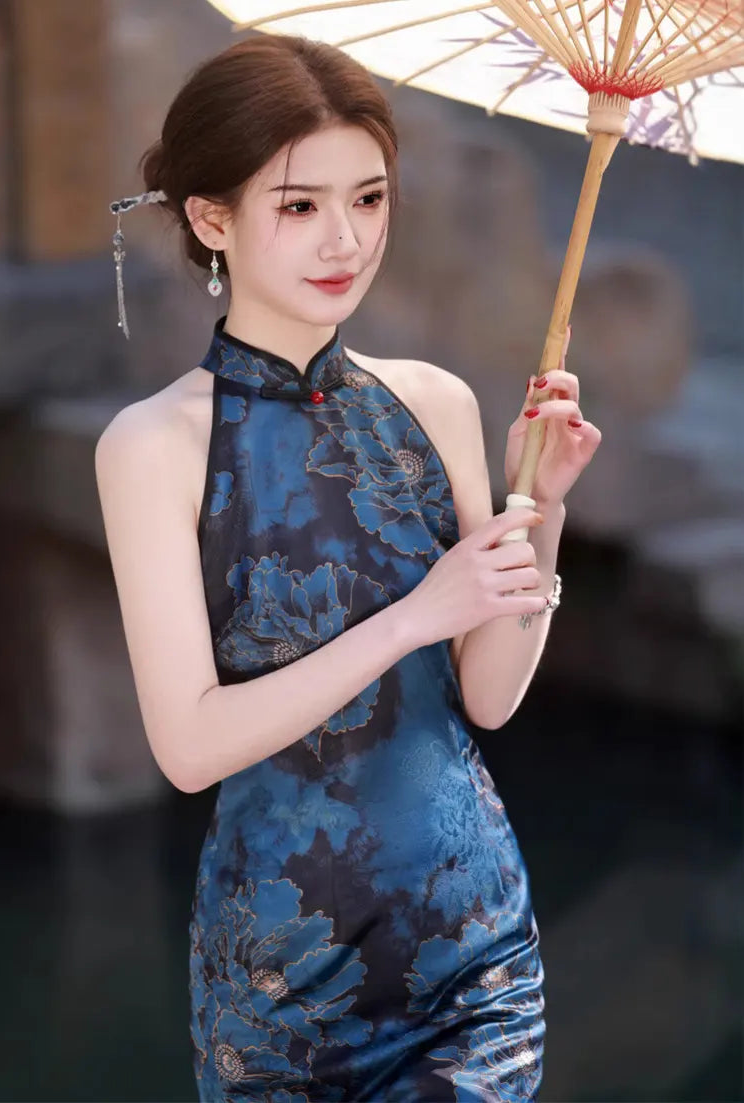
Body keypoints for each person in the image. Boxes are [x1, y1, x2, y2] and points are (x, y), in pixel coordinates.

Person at [95, 32, 601, 1103]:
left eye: (367, 198)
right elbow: (188, 746)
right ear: (210, 218)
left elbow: (488, 696)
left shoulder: (438, 403)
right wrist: (418, 611)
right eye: (297, 205)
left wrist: (539, 505)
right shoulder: (155, 446)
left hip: (474, 952)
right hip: (283, 989)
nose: (345, 239)